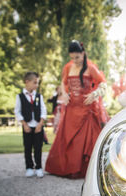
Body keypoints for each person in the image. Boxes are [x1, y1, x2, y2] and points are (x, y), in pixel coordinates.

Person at [45, 40, 109, 178]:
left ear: (83, 53)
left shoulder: (91, 68)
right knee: (68, 138)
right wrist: (64, 94)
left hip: (86, 108)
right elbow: (63, 82)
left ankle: (84, 170)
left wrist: (94, 93)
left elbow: (103, 83)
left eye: (77, 57)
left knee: (84, 140)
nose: (75, 60)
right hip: (71, 108)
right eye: (72, 57)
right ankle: (66, 168)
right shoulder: (68, 67)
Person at [14, 71, 47, 178]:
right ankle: (29, 167)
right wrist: (24, 124)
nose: (36, 85)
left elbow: (43, 110)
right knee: (27, 148)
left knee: (38, 148)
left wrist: (40, 124)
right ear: (27, 82)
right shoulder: (20, 97)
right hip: (27, 126)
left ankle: (39, 168)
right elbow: (17, 111)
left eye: (37, 83)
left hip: (38, 126)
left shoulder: (39, 96)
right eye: (35, 82)